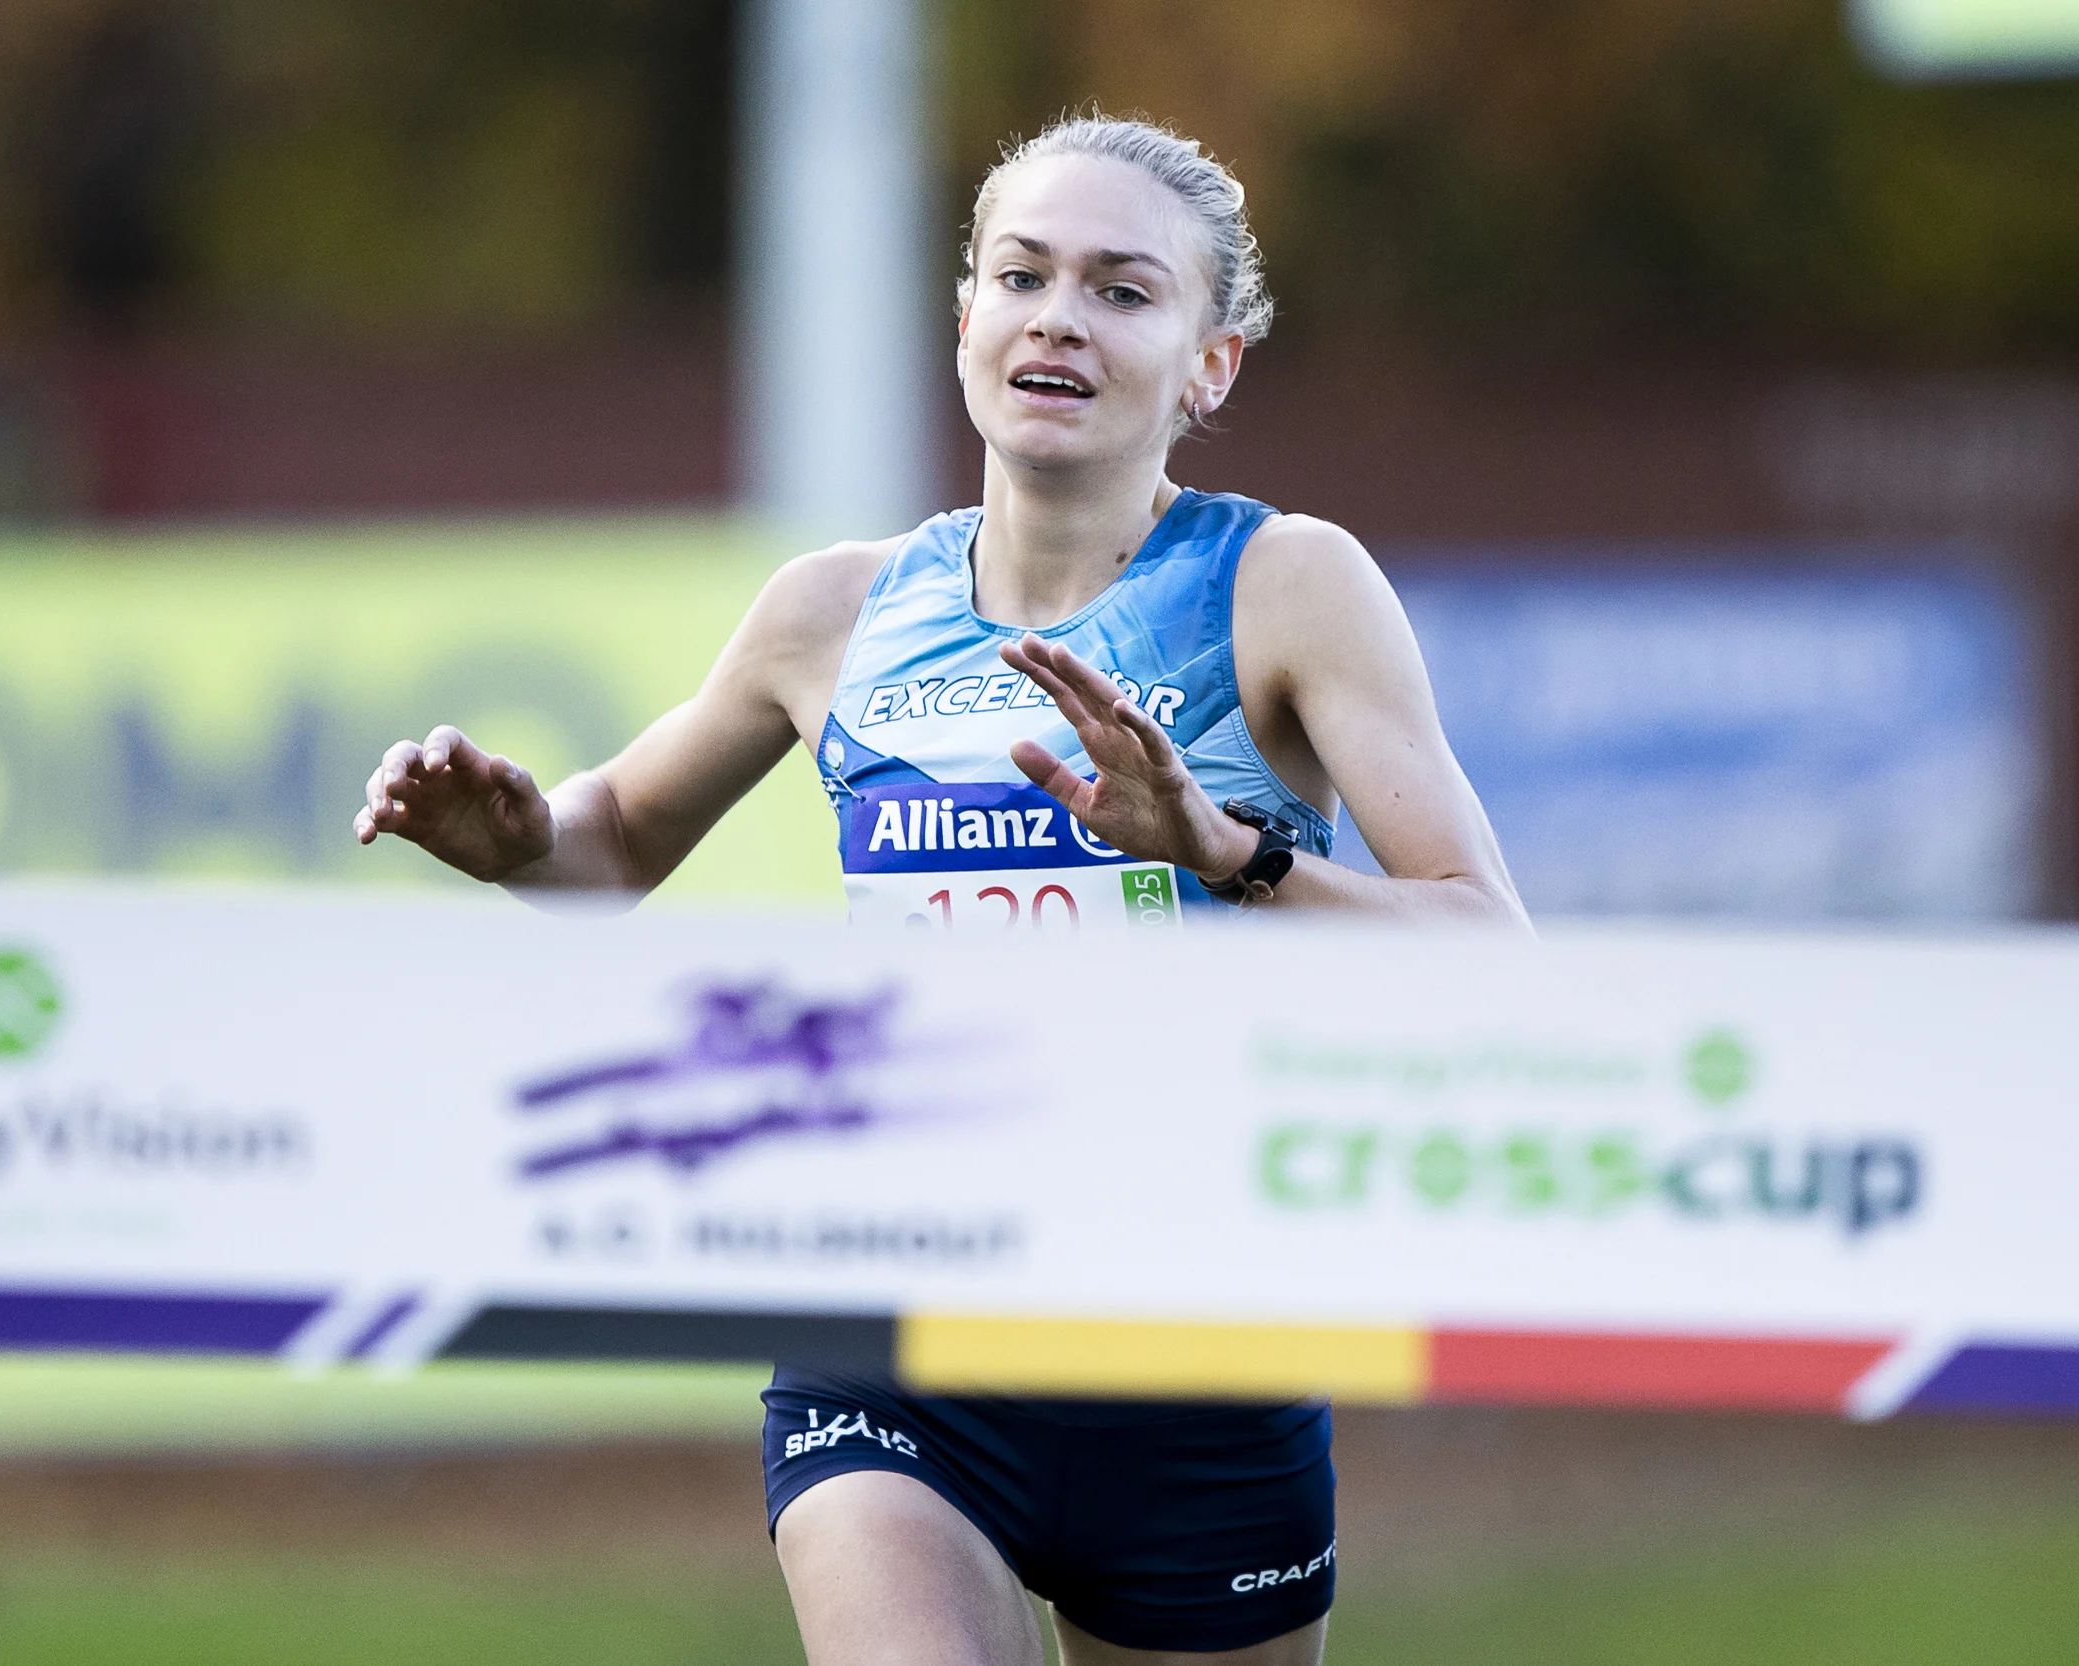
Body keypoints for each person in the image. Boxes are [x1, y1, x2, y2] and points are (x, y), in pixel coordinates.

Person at [355, 114, 1528, 1666]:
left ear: (1210, 364)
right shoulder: (833, 610)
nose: (1058, 314)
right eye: (1021, 274)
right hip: (900, 1326)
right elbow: (618, 840)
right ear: (964, 315)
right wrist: (514, 840)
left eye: (1121, 289)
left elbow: (1486, 945)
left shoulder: (1286, 585)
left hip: (1200, 1343)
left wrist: (1226, 851)